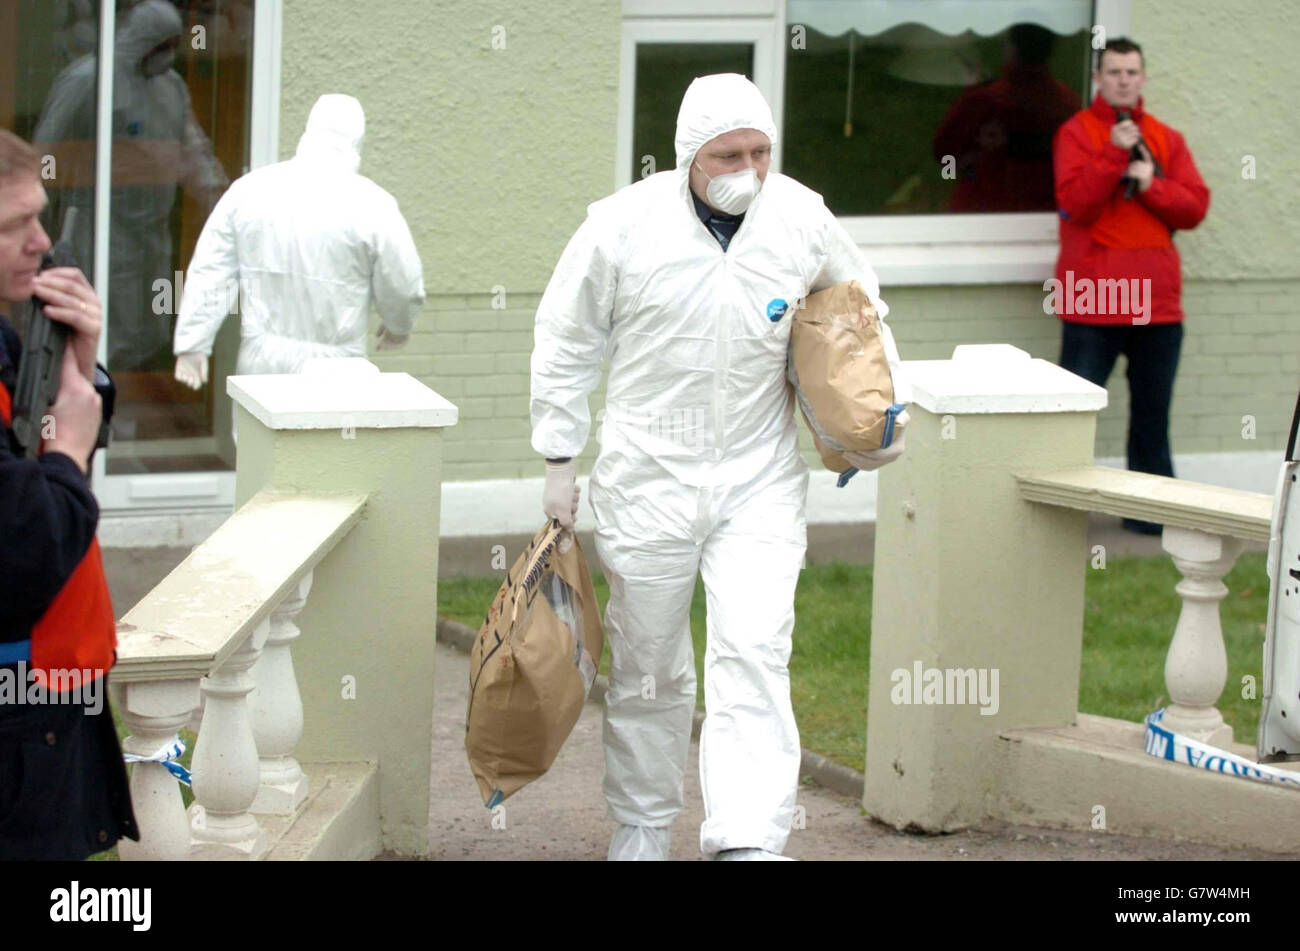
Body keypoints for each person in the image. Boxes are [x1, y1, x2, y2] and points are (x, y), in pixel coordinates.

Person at [530, 73, 906, 861]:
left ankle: (746, 837)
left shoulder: (800, 217)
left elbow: (855, 309)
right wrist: (559, 456)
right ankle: (640, 826)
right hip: (647, 477)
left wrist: (875, 413)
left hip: (756, 476)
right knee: (648, 663)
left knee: (755, 650)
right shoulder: (621, 228)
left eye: (760, 150)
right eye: (728, 153)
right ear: (687, 157)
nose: (748, 168)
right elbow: (566, 338)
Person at [0, 129, 138, 860]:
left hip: (53, 682)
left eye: (39, 214)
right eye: (14, 223)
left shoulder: (8, 330)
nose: (41, 240)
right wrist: (69, 448)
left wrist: (82, 373)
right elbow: (24, 552)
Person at [1052, 38, 1209, 534]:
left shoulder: (1166, 137)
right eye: (1114, 71)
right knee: (1072, 416)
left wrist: (1149, 183)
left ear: (1142, 78)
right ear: (1098, 78)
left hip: (1156, 303)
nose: (1123, 79)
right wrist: (1113, 159)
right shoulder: (1076, 133)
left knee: (1151, 416)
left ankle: (1151, 518)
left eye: (1131, 72)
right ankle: (1059, 513)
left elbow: (1194, 207)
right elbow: (1076, 204)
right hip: (1092, 296)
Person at [171, 94, 425, 389]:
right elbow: (403, 282)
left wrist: (193, 343)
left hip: (261, 364)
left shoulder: (250, 191)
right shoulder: (373, 205)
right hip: (338, 371)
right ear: (357, 141)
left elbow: (211, 270)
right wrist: (398, 325)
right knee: (325, 435)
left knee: (259, 434)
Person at [33, 0, 228, 373]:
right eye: (161, 46)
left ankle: (129, 410)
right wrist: (31, 222)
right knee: (107, 325)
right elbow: (47, 151)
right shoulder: (88, 80)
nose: (169, 55)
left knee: (149, 328)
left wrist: (220, 202)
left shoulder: (172, 88)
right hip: (104, 229)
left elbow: (194, 151)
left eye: (176, 44)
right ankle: (100, 408)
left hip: (153, 232)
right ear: (142, 40)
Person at [932, 22, 1081, 212]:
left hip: (978, 213)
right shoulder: (1068, 102)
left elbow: (944, 152)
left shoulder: (982, 100)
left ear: (1010, 49)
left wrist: (955, 176)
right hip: (1044, 216)